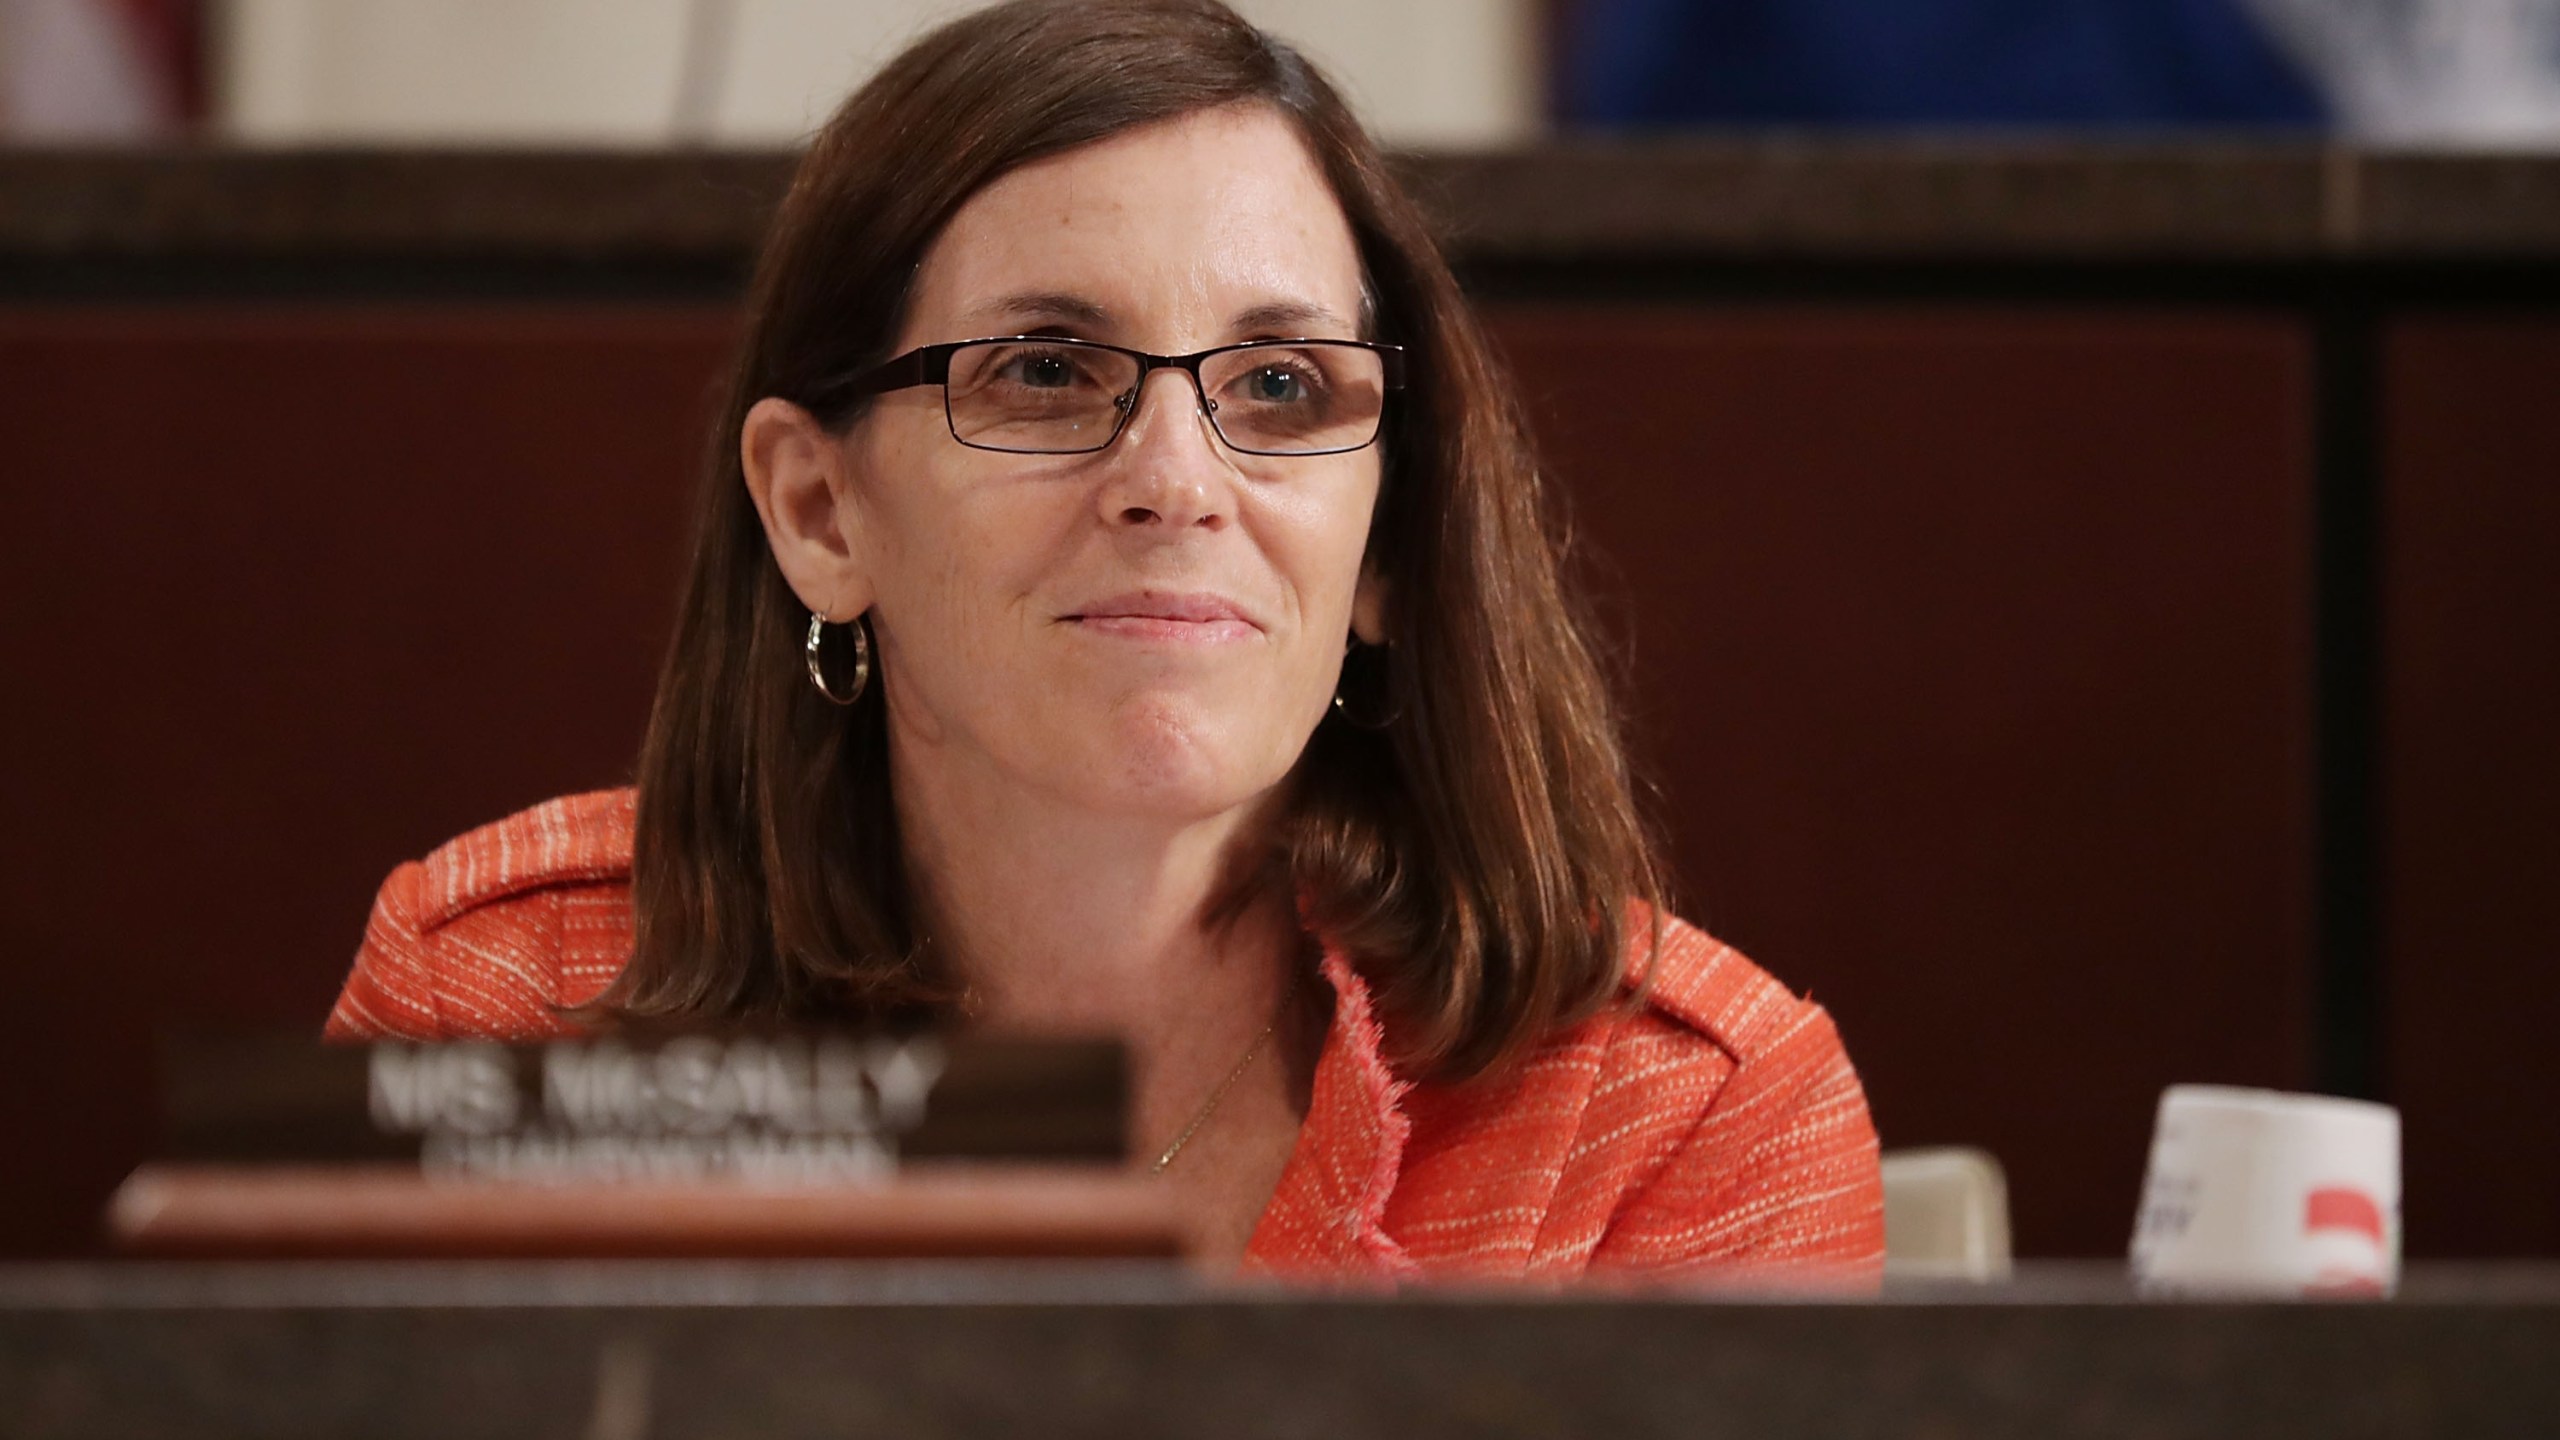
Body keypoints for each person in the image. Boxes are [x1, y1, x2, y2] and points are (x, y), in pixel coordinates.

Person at [327, 0, 1884, 1282]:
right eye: (1046, 372)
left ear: (1385, 542)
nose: (1174, 483)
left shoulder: (1672, 1122)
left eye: (1280, 387)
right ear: (820, 512)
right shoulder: (511, 1004)